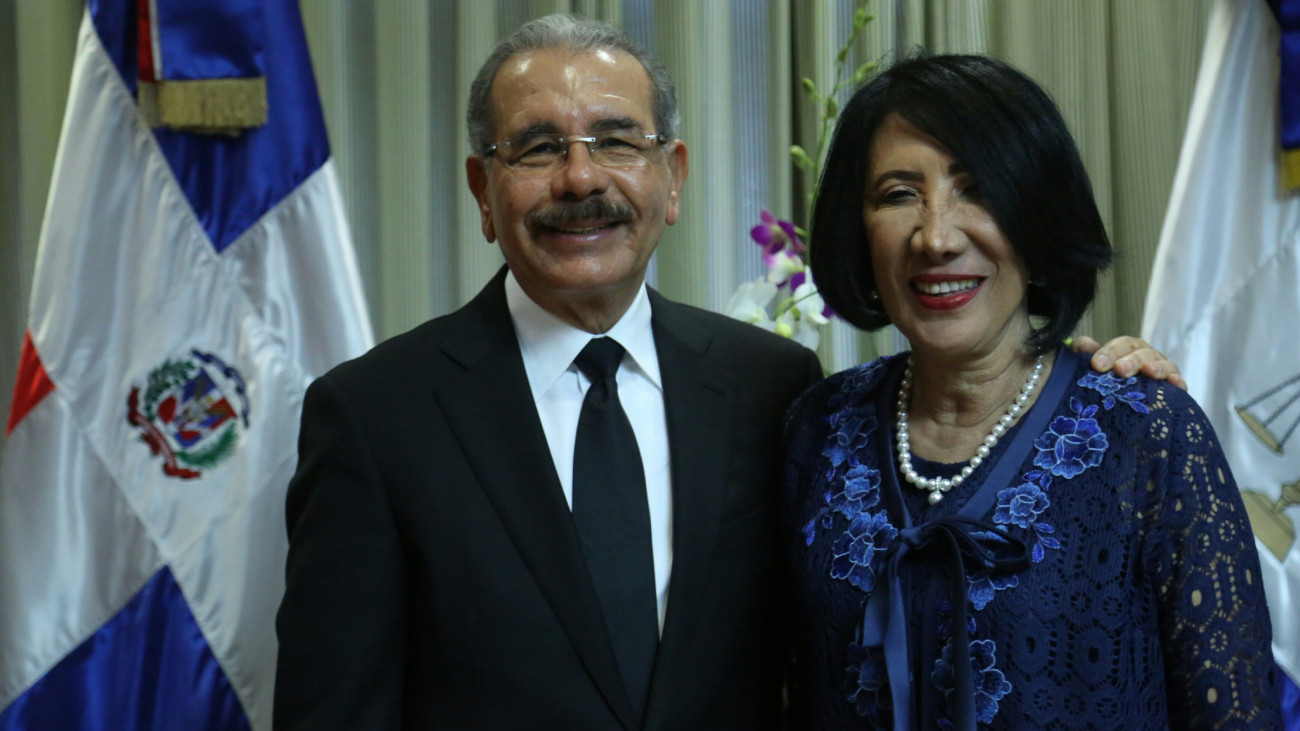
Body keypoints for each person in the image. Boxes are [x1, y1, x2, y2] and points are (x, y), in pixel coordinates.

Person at [273, 17, 1184, 730]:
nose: (580, 178)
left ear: (672, 178)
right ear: (483, 189)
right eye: (539, 148)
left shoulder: (776, 390)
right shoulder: (375, 416)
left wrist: (1073, 377)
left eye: (617, 141)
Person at [784, 53, 1282, 730]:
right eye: (900, 194)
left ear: (1038, 217)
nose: (936, 237)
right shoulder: (818, 427)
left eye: (978, 189)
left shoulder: (1148, 435)